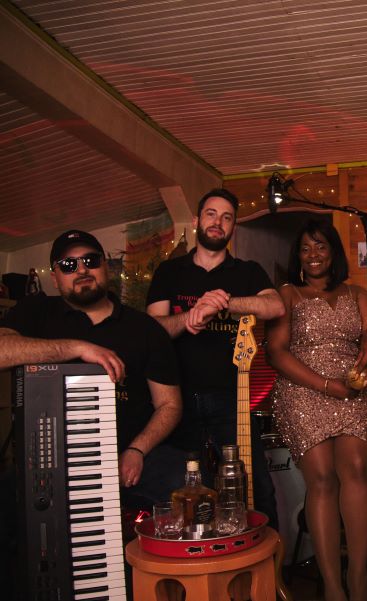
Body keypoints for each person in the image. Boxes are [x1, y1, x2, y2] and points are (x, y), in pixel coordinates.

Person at [0, 229, 185, 508]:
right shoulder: (36, 311)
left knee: (182, 480)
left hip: (128, 456)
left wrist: (137, 450)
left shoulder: (145, 328)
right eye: (68, 265)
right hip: (50, 463)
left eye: (90, 260)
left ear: (105, 266)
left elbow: (169, 404)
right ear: (55, 277)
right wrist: (77, 348)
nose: (82, 269)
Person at [146, 188, 285, 526]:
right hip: (176, 400)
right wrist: (190, 316)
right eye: (211, 214)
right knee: (191, 495)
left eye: (226, 217)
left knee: (257, 490)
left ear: (233, 226)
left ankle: (267, 559)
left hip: (231, 398)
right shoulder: (170, 271)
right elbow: (151, 330)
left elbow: (275, 306)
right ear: (197, 220)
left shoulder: (246, 271)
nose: (217, 222)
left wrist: (222, 302)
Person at [266, 218, 367, 601]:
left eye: (320, 246)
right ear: (297, 256)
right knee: (322, 480)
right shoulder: (288, 294)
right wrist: (325, 385)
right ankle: (333, 586)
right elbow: (276, 351)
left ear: (333, 251)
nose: (313, 255)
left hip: (352, 388)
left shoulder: (357, 292)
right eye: (305, 248)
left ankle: (358, 578)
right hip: (304, 389)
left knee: (357, 470)